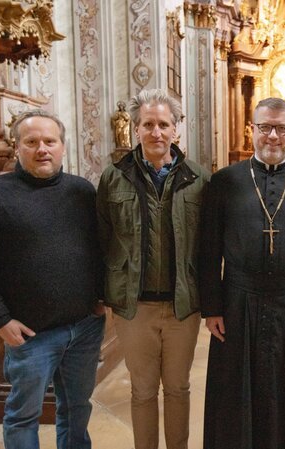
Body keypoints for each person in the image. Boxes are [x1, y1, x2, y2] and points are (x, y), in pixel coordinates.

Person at [0, 109, 105, 449]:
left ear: (63, 147)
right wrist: (0, 320)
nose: (42, 149)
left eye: (50, 141)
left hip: (83, 329)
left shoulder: (82, 192)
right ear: (17, 148)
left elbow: (101, 250)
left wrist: (98, 297)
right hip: (29, 334)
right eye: (32, 142)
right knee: (24, 415)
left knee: (77, 409)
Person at [200, 97, 285, 449]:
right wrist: (212, 306)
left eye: (281, 129)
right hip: (237, 302)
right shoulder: (224, 181)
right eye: (265, 128)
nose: (273, 136)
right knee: (235, 391)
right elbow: (209, 250)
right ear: (252, 131)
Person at [97, 88, 209, 449]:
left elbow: (209, 245)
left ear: (177, 129)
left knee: (177, 387)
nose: (156, 132)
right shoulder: (114, 177)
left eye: (164, 124)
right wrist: (100, 295)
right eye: (148, 124)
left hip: (182, 305)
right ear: (135, 129)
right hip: (135, 306)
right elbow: (101, 238)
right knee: (143, 390)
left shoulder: (198, 179)